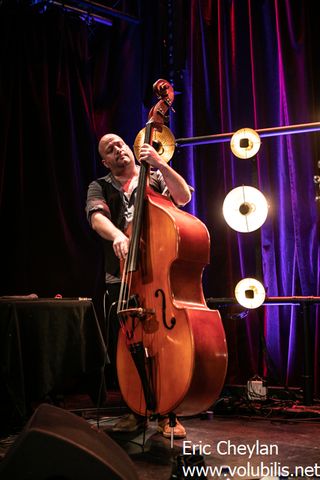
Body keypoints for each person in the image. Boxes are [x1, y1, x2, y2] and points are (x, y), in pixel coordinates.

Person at [86, 133, 192, 438]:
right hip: (121, 278)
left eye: (119, 143)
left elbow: (183, 197)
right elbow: (96, 219)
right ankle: (135, 411)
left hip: (159, 275)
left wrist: (159, 163)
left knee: (165, 345)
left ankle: (168, 413)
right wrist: (119, 235)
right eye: (109, 149)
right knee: (129, 346)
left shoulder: (155, 177)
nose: (118, 149)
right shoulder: (100, 186)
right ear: (105, 161)